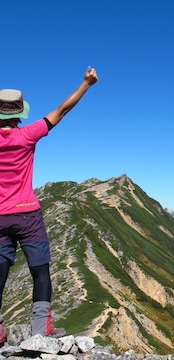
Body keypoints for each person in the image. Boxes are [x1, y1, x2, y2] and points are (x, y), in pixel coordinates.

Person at [0, 67, 98, 343]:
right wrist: (85, 84)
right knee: (40, 271)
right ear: (19, 113)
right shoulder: (28, 135)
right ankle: (41, 328)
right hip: (27, 214)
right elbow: (62, 110)